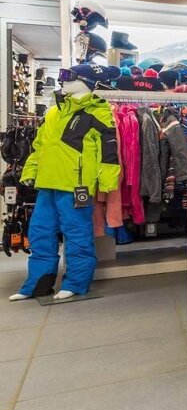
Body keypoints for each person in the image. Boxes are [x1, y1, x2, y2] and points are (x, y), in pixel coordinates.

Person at [9, 65, 119, 301]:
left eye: (68, 77)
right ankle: (38, 284)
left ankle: (76, 283)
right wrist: (31, 170)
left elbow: (109, 152)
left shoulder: (99, 112)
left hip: (75, 185)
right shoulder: (53, 112)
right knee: (40, 233)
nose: (62, 81)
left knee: (77, 234)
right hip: (47, 182)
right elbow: (40, 145)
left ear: (87, 82)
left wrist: (106, 181)